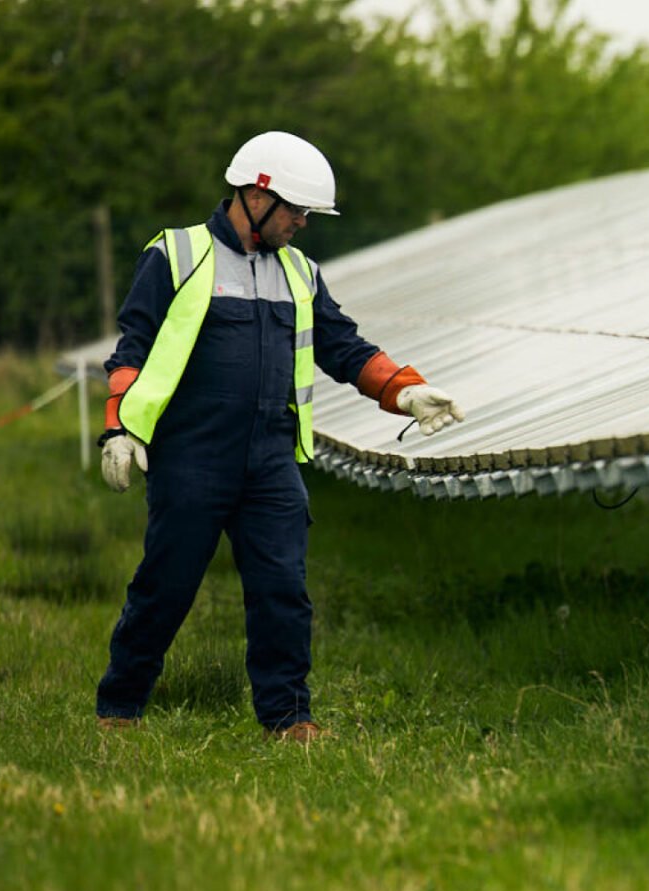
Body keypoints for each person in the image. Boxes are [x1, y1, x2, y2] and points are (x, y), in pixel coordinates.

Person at [92, 131, 464, 742]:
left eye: (307, 213)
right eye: (296, 210)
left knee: (283, 592)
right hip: (192, 457)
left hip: (270, 460)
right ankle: (120, 706)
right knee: (165, 587)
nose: (303, 223)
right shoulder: (176, 256)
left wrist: (403, 389)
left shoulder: (302, 272)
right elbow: (132, 349)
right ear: (254, 194)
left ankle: (289, 718)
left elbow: (343, 346)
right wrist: (120, 428)